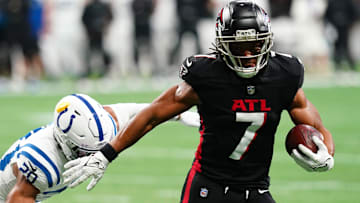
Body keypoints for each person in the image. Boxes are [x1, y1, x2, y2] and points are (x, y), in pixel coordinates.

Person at [63, 1, 335, 203]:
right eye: (239, 48)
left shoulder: (283, 75)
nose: (249, 55)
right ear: (223, 45)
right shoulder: (205, 77)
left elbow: (315, 125)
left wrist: (327, 154)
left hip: (256, 188)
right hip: (208, 186)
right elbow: (152, 115)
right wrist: (105, 154)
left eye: (255, 45)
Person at [0, 93, 199, 202]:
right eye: (88, 152)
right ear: (66, 143)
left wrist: (180, 116)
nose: (97, 156)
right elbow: (18, 198)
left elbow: (143, 112)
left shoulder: (105, 123)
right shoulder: (43, 160)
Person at [81, 0, 113, 77]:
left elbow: (110, 17)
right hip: (92, 33)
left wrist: (105, 27)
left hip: (100, 33)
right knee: (90, 52)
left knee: (103, 51)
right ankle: (89, 70)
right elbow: (84, 19)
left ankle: (105, 69)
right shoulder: (89, 6)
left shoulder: (103, 6)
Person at [324, 0, 357, 71]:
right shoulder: (332, 2)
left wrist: (349, 23)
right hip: (335, 29)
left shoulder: (348, 2)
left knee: (346, 47)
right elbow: (327, 15)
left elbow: (354, 13)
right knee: (337, 48)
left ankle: (352, 66)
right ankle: (337, 66)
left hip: (346, 29)